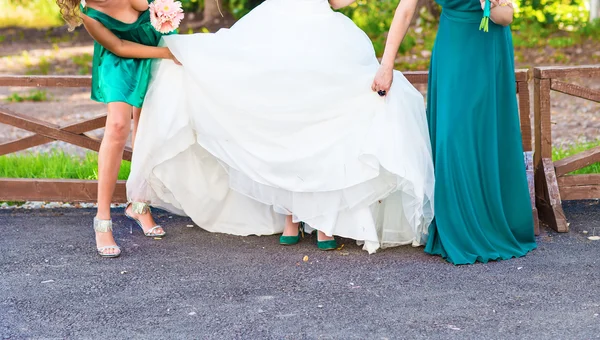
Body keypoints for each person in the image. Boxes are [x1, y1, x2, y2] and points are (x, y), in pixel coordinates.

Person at [126, 0, 435, 253]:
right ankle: (291, 216)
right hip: (275, 30)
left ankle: (323, 219)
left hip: (322, 33)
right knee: (282, 118)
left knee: (318, 119)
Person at [374, 0, 536, 264]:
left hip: (488, 49)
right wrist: (386, 66)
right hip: (453, 47)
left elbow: (507, 16)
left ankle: (489, 223)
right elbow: (404, 11)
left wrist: (489, 5)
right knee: (451, 136)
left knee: (484, 134)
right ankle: (458, 227)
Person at [57, 0, 180, 257]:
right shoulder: (89, 13)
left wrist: (168, 42)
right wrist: (167, 54)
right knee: (117, 125)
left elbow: (151, 11)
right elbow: (119, 46)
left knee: (147, 124)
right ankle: (102, 220)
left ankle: (139, 203)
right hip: (119, 60)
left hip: (152, 48)